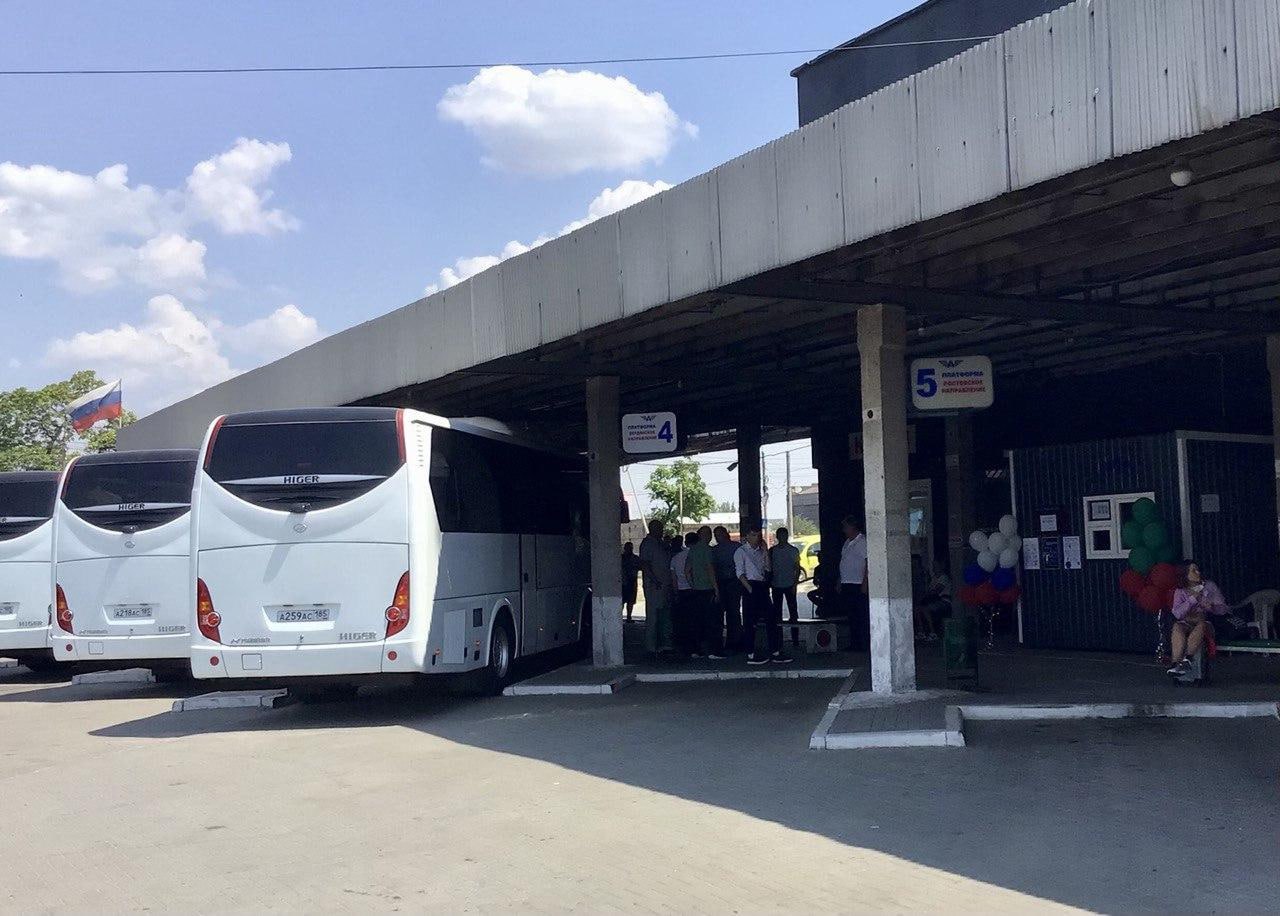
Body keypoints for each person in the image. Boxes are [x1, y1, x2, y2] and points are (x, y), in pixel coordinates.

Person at [736, 524, 791, 665]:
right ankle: (750, 653)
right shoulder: (741, 552)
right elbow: (740, 573)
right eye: (753, 535)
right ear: (747, 536)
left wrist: (766, 551)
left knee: (771, 618)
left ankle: (775, 651)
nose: (757, 538)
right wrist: (749, 589)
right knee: (750, 621)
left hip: (761, 585)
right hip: (750, 585)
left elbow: (767, 568)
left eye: (758, 535)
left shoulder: (761, 551)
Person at [1167, 560, 1228, 676]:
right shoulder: (1180, 591)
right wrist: (1192, 600)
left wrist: (1212, 607)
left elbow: (1223, 609)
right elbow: (1177, 613)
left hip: (1207, 623)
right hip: (1187, 623)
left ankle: (1188, 658)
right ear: (1186, 574)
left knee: (1201, 625)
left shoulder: (1209, 586)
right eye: (1193, 570)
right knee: (1177, 627)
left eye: (1198, 569)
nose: (1198, 572)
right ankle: (1175, 663)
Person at [685, 525, 724, 658]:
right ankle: (713, 650)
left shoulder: (693, 549)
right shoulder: (707, 550)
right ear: (705, 535)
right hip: (708, 589)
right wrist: (717, 589)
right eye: (709, 533)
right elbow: (710, 570)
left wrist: (693, 584)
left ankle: (696, 650)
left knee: (697, 621)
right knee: (712, 621)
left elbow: (687, 570)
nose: (710, 536)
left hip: (697, 590)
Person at [638, 521, 673, 654]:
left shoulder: (660, 544)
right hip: (654, 585)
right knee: (653, 615)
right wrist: (655, 580)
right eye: (659, 528)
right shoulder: (647, 544)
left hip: (664, 584)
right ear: (653, 529)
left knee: (664, 614)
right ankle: (651, 646)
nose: (662, 531)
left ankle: (664, 643)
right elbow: (645, 564)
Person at [838, 516, 869, 650]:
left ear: (853, 527)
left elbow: (868, 563)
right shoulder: (847, 542)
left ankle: (863, 643)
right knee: (851, 615)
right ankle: (854, 643)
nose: (844, 530)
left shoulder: (862, 542)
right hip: (847, 582)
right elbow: (843, 562)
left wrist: (865, 583)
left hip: (857, 583)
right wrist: (839, 580)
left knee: (861, 615)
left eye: (845, 527)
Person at [770, 527, 802, 649]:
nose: (782, 538)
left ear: (787, 536)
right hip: (776, 585)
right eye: (780, 535)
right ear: (777, 537)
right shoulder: (772, 551)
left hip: (789, 585)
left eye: (784, 535)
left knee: (793, 612)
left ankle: (796, 639)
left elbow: (797, 568)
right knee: (777, 614)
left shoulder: (793, 550)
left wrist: (795, 584)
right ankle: (778, 639)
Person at [712, 526, 743, 652]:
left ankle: (720, 642)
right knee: (733, 613)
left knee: (720, 614)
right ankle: (734, 641)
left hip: (723, 583)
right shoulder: (737, 547)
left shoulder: (714, 550)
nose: (716, 537)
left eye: (717, 534)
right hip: (732, 583)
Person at [670, 531, 698, 656]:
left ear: (685, 542)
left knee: (682, 621)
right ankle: (695, 648)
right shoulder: (697, 555)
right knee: (695, 621)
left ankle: (682, 647)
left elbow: (673, 578)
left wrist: (675, 593)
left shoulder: (676, 558)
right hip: (695, 591)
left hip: (681, 592)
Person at [913, 561, 951, 641]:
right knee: (917, 609)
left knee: (925, 609)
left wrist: (927, 594)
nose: (934, 568)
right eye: (933, 566)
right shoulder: (934, 578)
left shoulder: (943, 578)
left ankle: (933, 632)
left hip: (944, 601)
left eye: (936, 566)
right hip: (932, 601)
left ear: (941, 567)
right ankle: (921, 632)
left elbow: (936, 591)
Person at [620, 541, 641, 622]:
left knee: (631, 601)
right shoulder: (620, 558)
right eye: (628, 548)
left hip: (632, 581)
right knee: (621, 601)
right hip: (622, 582)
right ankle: (619, 616)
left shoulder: (635, 558)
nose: (629, 549)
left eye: (631, 548)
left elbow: (640, 566)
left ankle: (629, 617)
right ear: (625, 548)